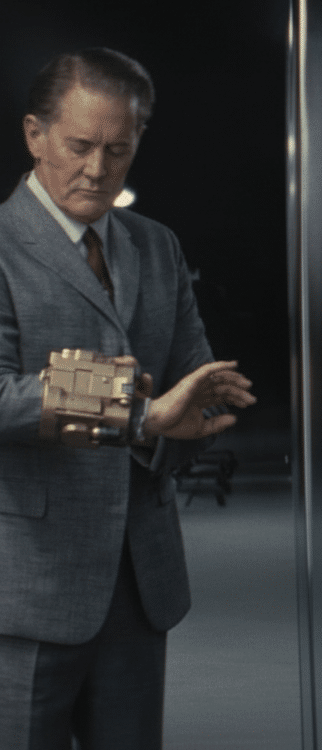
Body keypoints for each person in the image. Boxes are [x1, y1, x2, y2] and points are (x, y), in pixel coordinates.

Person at [0, 48, 256, 748]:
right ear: (34, 134)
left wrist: (197, 411)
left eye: (119, 148)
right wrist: (138, 412)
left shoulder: (156, 246)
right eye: (80, 146)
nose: (98, 169)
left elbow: (189, 370)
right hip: (27, 583)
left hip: (141, 579)